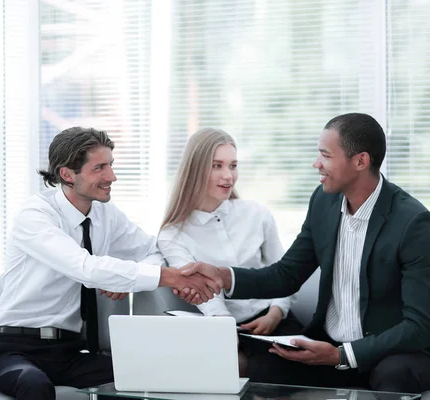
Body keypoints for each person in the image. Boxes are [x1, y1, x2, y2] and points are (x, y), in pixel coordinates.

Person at [177, 113, 430, 393]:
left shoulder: (412, 223)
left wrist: (342, 355)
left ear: (360, 161)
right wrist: (223, 276)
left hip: (387, 353)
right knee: (264, 369)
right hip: (329, 346)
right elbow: (287, 274)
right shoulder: (323, 201)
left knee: (395, 374)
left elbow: (418, 326)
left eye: (325, 156)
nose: (316, 164)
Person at [0, 127, 220, 400]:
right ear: (67, 174)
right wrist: (171, 277)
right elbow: (85, 268)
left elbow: (151, 250)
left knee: (152, 375)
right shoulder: (35, 215)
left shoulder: (106, 214)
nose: (112, 177)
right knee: (35, 387)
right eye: (99, 168)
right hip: (14, 347)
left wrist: (128, 280)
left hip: (69, 353)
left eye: (111, 165)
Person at [158, 128, 302, 376]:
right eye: (216, 166)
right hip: (224, 327)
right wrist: (228, 338)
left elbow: (285, 274)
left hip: (276, 323)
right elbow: (208, 298)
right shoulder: (173, 235)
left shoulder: (256, 214)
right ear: (195, 170)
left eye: (233, 165)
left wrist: (276, 313)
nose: (228, 176)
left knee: (268, 369)